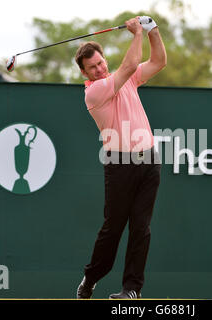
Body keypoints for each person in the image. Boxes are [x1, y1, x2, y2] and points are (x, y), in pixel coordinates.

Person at [75, 16, 167, 299]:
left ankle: (131, 290)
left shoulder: (123, 80)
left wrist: (153, 31)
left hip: (148, 161)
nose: (100, 69)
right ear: (85, 74)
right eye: (93, 67)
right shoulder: (95, 92)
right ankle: (91, 278)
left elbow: (159, 61)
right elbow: (128, 65)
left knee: (141, 228)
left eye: (101, 63)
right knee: (113, 228)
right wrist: (137, 32)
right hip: (120, 164)